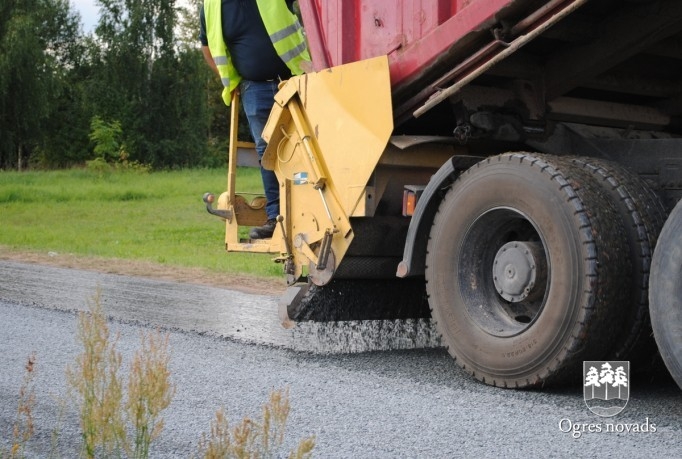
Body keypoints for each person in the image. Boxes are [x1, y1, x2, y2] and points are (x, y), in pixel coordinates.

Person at [199, 0, 311, 239]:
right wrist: (230, 79)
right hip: (254, 89)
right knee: (268, 152)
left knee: (307, 146)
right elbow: (207, 47)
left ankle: (310, 214)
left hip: (296, 81)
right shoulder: (211, 6)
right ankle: (276, 218)